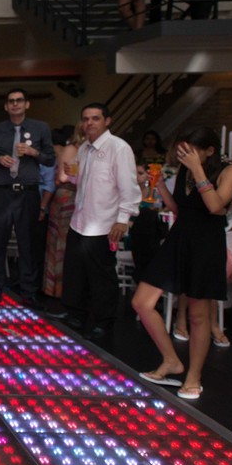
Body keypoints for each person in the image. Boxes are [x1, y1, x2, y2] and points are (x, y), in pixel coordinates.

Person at [133, 126, 232, 400]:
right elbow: (181, 208)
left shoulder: (230, 171)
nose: (183, 156)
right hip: (179, 237)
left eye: (189, 151)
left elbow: (216, 207)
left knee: (197, 314)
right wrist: (158, 186)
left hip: (206, 243)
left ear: (209, 150)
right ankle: (171, 360)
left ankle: (194, 376)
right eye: (181, 151)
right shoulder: (185, 169)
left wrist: (198, 170)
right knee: (142, 302)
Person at [61, 104, 141, 339]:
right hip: (81, 219)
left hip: (104, 222)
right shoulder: (85, 147)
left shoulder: (119, 148)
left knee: (102, 275)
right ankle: (76, 314)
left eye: (95, 118)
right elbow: (83, 183)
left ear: (107, 121)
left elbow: (128, 187)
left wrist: (122, 219)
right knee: (76, 272)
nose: (89, 123)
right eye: (85, 119)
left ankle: (104, 321)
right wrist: (73, 174)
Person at [0, 88, 56, 306]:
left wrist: (34, 153)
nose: (15, 104)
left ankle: (28, 291)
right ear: (6, 106)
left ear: (26, 104)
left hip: (28, 191)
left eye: (19, 101)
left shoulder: (40, 128)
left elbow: (50, 160)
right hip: (1, 191)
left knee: (27, 244)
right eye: (11, 101)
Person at [42, 126, 78, 299]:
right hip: (67, 197)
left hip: (79, 199)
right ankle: (57, 290)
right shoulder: (72, 148)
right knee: (61, 246)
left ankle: (69, 291)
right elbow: (61, 178)